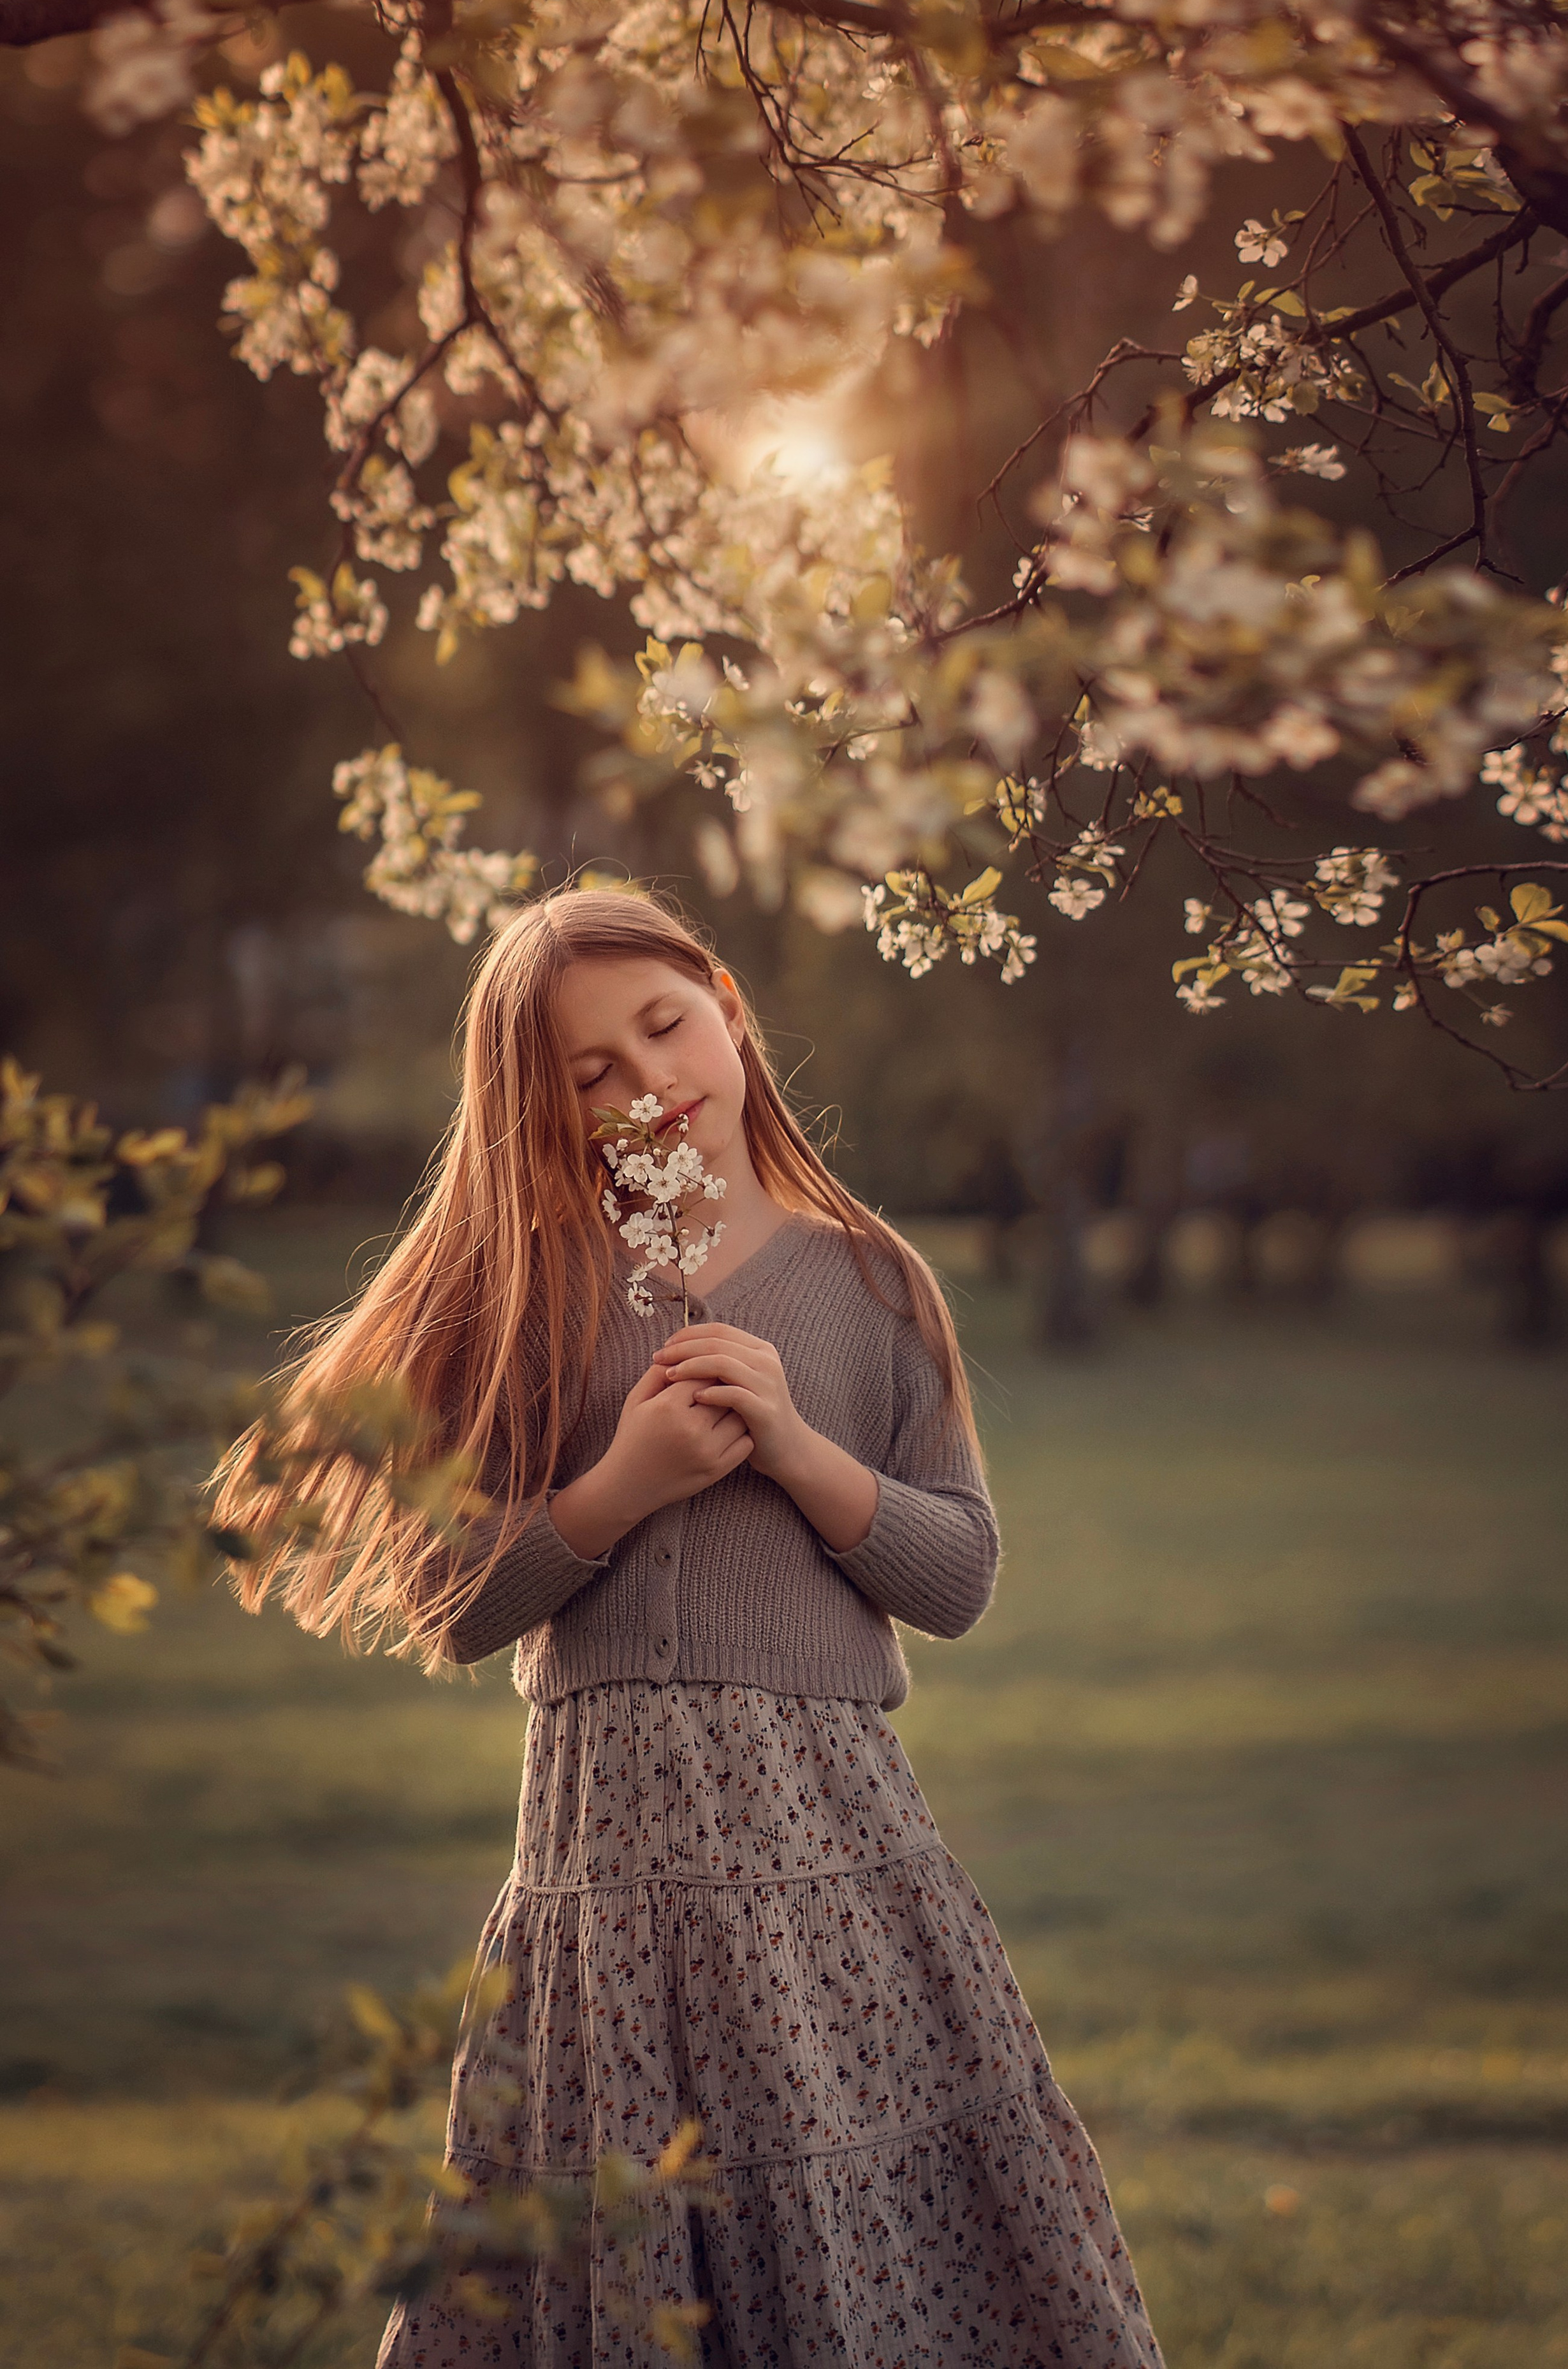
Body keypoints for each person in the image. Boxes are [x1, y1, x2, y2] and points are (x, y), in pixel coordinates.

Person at [214, 886, 1163, 2369]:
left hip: (829, 1861)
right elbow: (451, 1603)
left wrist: (795, 1449)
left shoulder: (867, 1282)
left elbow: (958, 1577)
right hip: (609, 1872)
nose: (648, 1082)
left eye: (663, 1026)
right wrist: (614, 1493)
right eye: (589, 1073)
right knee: (618, 2240)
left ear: (724, 1001)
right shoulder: (533, 1288)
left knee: (849, 2225)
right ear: (546, 1107)